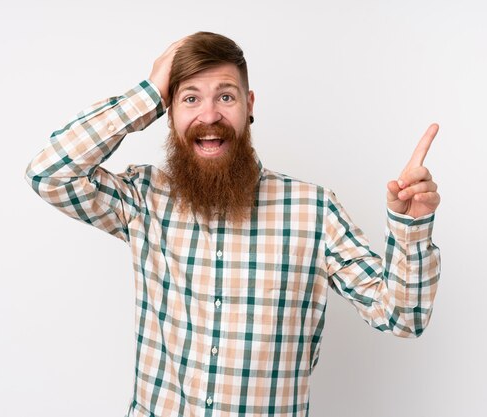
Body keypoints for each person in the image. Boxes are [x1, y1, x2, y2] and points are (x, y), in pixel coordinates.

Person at [25, 32, 440, 417]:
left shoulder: (313, 210)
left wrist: (411, 227)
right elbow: (49, 174)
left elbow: (404, 316)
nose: (209, 115)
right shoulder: (143, 198)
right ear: (168, 113)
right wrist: (148, 94)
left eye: (225, 96)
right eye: (189, 99)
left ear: (249, 105)